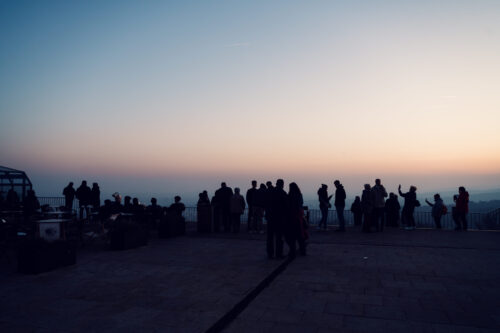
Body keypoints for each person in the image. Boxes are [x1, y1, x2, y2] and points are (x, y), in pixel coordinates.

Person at [267, 179, 288, 259]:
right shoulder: (283, 193)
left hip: (270, 217)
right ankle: (278, 254)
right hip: (279, 218)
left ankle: (270, 253)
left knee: (270, 237)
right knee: (279, 237)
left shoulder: (270, 192)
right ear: (282, 184)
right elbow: (286, 206)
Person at [287, 182, 307, 258]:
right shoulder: (299, 195)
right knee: (300, 236)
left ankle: (292, 252)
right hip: (298, 218)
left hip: (291, 218)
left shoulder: (289, 196)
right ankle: (303, 251)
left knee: (292, 237)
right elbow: (300, 205)